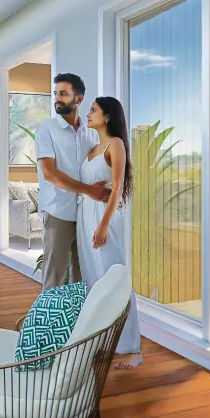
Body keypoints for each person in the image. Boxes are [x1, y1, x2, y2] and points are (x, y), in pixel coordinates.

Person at [76, 96, 142, 369]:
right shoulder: (93, 147)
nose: (88, 113)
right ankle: (104, 342)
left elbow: (116, 187)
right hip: (86, 216)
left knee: (114, 278)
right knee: (95, 280)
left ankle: (131, 349)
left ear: (108, 116)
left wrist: (103, 224)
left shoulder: (116, 145)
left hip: (105, 219)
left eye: (93, 110)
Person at [34, 73, 110, 290]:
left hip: (86, 215)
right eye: (56, 93)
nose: (57, 98)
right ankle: (46, 323)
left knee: (82, 276)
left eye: (64, 94)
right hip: (58, 212)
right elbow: (49, 173)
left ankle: (76, 323)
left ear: (79, 99)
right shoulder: (46, 130)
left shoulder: (91, 134)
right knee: (53, 278)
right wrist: (89, 190)